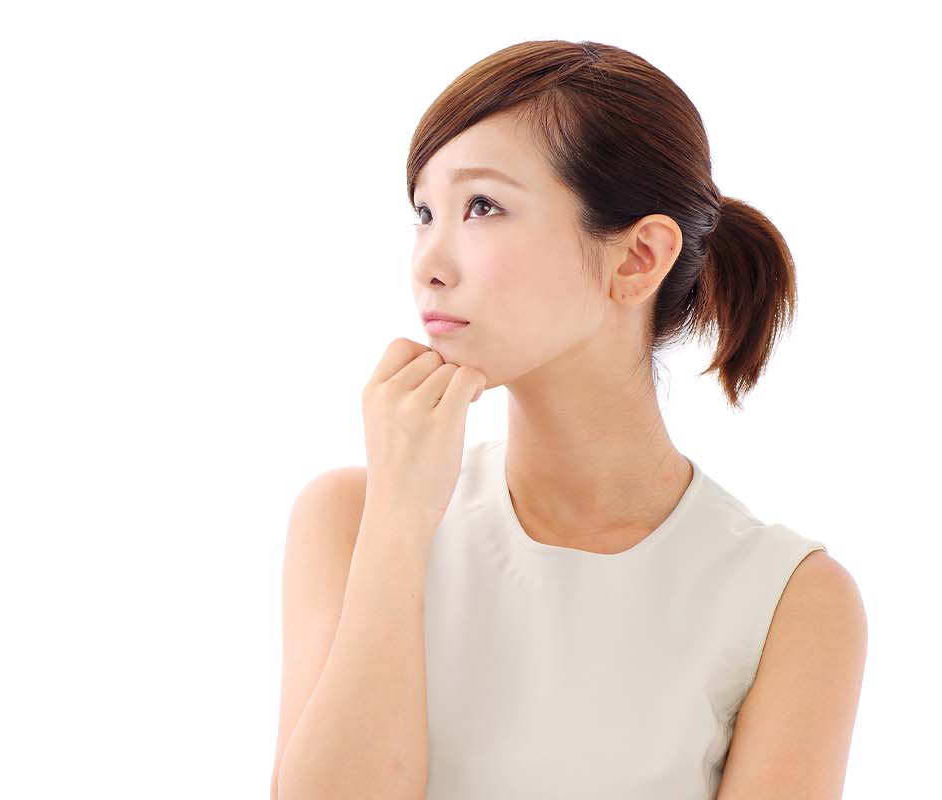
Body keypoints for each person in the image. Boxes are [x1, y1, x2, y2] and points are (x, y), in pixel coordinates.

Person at [270, 40, 867, 800]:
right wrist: (396, 523)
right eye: (424, 213)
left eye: (482, 206)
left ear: (638, 258)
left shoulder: (791, 602)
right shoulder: (351, 517)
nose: (428, 264)